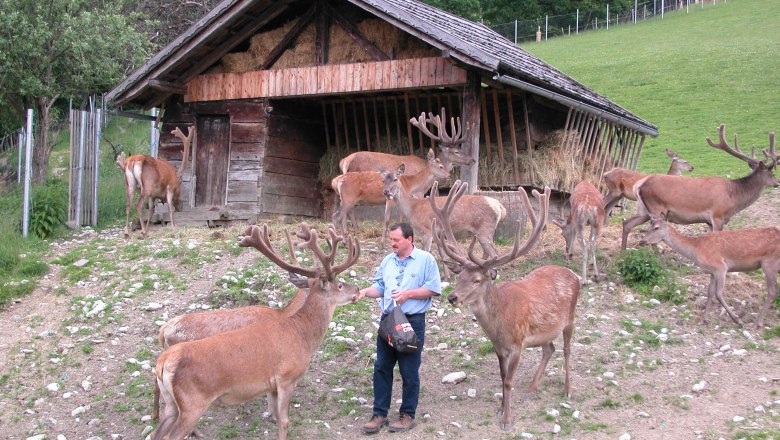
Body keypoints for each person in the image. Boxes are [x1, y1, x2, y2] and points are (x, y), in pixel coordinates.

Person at [358, 222, 441, 434]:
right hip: (388, 320)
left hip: (411, 322)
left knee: (409, 370)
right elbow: (380, 287)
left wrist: (408, 294)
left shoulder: (426, 260)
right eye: (391, 239)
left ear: (409, 239)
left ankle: (407, 415)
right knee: (382, 367)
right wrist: (365, 291)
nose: (392, 243)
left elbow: (433, 288)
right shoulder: (388, 261)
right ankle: (379, 414)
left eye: (396, 240)